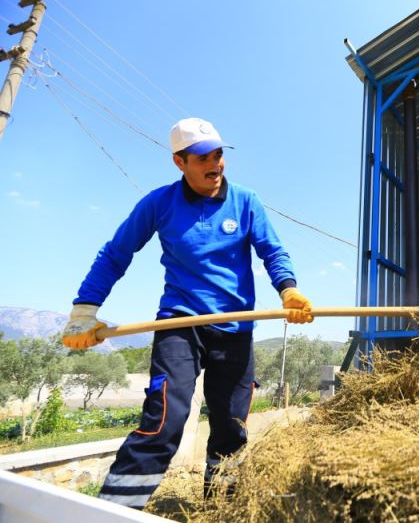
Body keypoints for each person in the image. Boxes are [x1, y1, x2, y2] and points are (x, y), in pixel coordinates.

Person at [61, 117, 314, 509]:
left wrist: (289, 290)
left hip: (235, 328)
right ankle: (114, 511)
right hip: (181, 325)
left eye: (218, 155)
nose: (215, 165)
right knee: (165, 422)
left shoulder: (246, 201)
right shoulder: (159, 203)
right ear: (180, 162)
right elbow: (116, 254)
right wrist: (84, 310)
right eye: (202, 158)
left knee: (231, 429)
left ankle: (222, 508)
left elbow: (272, 251)